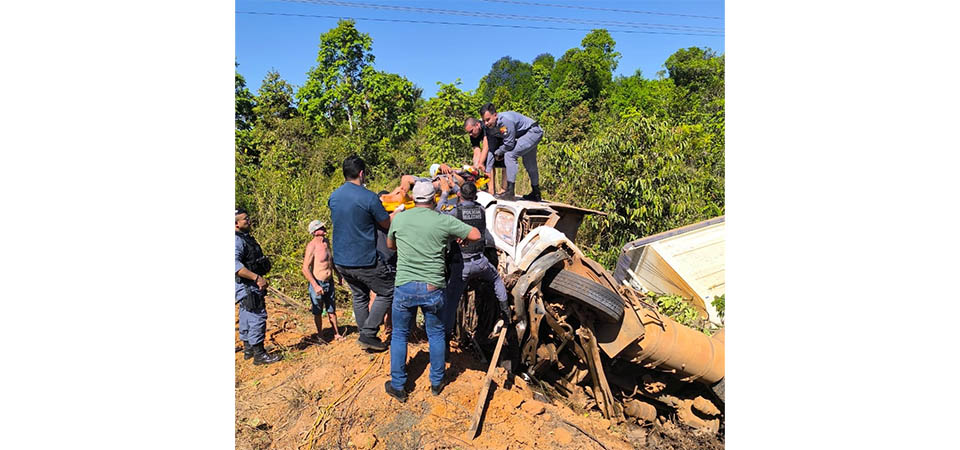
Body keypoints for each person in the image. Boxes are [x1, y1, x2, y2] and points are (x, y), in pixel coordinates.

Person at [384, 180, 482, 402]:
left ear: (414, 199)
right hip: (432, 287)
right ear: (433, 198)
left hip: (405, 285)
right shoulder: (443, 220)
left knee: (399, 335)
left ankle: (398, 385)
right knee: (436, 334)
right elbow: (475, 234)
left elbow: (390, 246)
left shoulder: (400, 218)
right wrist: (457, 236)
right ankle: (436, 382)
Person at [328, 155, 393, 352]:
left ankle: (367, 336)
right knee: (387, 290)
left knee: (359, 296)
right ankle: (368, 333)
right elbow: (386, 223)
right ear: (362, 173)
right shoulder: (368, 197)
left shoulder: (334, 196)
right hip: (363, 259)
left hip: (341, 259)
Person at [440, 182, 511, 336]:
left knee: (451, 303)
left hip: (462, 267)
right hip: (481, 262)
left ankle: (445, 338)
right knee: (497, 280)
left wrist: (445, 194)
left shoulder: (454, 211)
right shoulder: (481, 209)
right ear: (475, 195)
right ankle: (506, 314)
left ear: (460, 195)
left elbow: (439, 211)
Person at [235, 208, 282, 365]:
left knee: (247, 314)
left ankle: (249, 349)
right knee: (257, 316)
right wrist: (256, 278)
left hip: (248, 286)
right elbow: (235, 266)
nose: (248, 221)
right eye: (245, 219)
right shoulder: (237, 241)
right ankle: (259, 354)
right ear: (236, 224)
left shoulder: (244, 238)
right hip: (248, 285)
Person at [480, 103, 544, 201]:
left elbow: (509, 145)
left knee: (510, 155)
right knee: (529, 163)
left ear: (495, 115)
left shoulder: (505, 121)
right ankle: (536, 193)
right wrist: (488, 170)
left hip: (533, 132)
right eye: (484, 121)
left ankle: (510, 192)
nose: (486, 123)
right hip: (524, 136)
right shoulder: (488, 127)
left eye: (488, 119)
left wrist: (499, 152)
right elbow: (491, 149)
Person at [301, 219, 345, 343]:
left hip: (329, 281)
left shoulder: (326, 242)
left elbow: (331, 260)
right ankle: (320, 335)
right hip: (318, 283)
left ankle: (337, 333)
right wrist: (315, 285)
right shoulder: (312, 246)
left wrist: (338, 275)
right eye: (321, 227)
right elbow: (305, 268)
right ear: (315, 232)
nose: (324, 228)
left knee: (332, 309)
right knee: (318, 311)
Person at [464, 117, 506, 195]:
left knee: (505, 164)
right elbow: (476, 150)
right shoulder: (472, 134)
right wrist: (475, 167)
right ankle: (491, 191)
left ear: (477, 125)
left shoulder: (485, 126)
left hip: (502, 140)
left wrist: (480, 162)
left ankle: (504, 189)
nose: (470, 134)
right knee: (487, 163)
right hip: (492, 145)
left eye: (471, 131)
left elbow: (486, 146)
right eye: (468, 132)